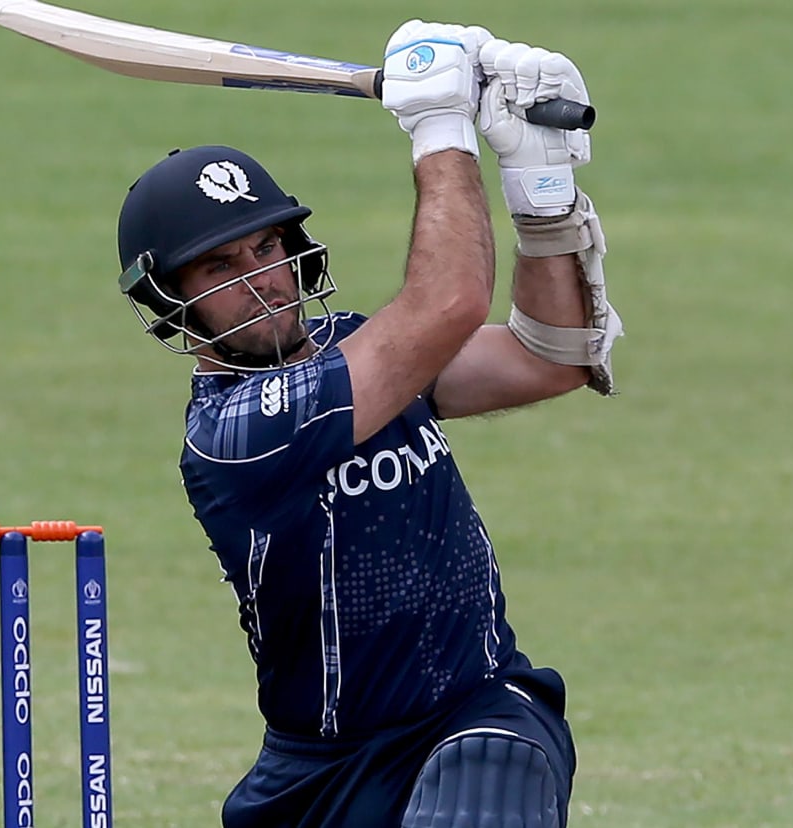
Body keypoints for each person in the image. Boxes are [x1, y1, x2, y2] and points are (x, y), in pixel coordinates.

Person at [113, 22, 621, 828]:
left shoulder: (353, 347)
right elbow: (447, 304)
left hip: (478, 715)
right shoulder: (236, 435)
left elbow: (547, 356)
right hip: (319, 773)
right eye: (221, 267)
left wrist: (537, 175)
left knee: (488, 763)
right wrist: (440, 129)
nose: (263, 280)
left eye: (269, 247)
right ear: (170, 303)